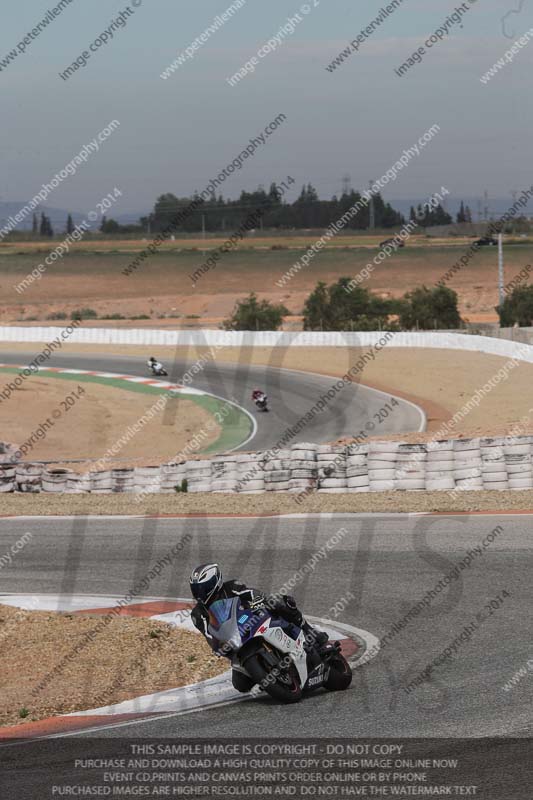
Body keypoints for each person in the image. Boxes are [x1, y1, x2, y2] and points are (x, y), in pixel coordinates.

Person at [189, 563, 329, 692]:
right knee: (240, 684)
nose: (200, 594)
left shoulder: (231, 587)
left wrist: (260, 600)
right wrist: (217, 646)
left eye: (203, 588)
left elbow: (251, 593)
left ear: (215, 582)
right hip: (235, 641)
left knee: (278, 602)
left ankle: (309, 630)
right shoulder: (197, 614)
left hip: (254, 620)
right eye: (196, 590)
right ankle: (268, 673)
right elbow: (208, 633)